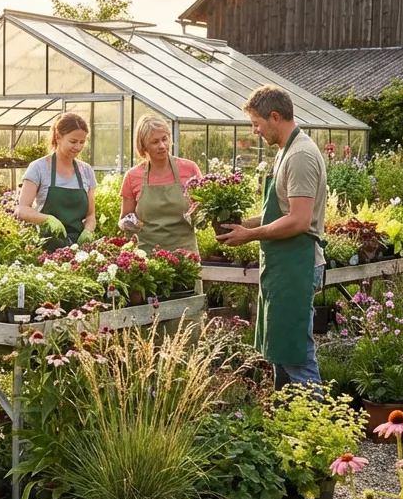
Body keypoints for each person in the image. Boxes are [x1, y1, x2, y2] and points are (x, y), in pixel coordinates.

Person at [216, 86, 327, 389]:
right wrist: (237, 224)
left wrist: (249, 235)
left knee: (295, 353)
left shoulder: (301, 155)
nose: (255, 130)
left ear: (275, 116)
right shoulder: (285, 151)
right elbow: (280, 211)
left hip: (298, 265)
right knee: (279, 348)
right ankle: (285, 424)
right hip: (284, 265)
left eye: (256, 123)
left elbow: (299, 220)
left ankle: (318, 426)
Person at [117, 115, 201, 253]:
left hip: (185, 254)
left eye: (164, 139)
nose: (162, 146)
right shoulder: (132, 176)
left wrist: (198, 212)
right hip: (147, 256)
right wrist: (128, 225)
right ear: (143, 146)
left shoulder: (189, 169)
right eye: (155, 142)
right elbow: (125, 219)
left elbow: (202, 207)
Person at [15, 112, 96, 250]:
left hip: (79, 250)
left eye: (82, 142)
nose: (78, 147)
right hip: (45, 248)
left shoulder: (86, 171)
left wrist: (88, 230)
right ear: (58, 137)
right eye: (73, 141)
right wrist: (47, 220)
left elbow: (91, 214)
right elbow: (22, 210)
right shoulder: (39, 168)